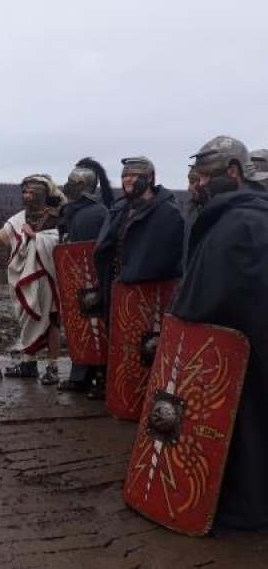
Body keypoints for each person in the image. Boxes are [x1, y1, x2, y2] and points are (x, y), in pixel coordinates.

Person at [170, 135, 268, 532]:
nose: (198, 184)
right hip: (225, 350)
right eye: (195, 177)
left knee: (247, 436)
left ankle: (245, 514)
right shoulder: (228, 218)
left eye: (205, 176)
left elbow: (232, 292)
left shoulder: (248, 223)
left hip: (245, 348)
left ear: (233, 173)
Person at [92, 156, 184, 399]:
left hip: (147, 291)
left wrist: (135, 274)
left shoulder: (168, 212)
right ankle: (118, 388)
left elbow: (169, 257)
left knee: (146, 344)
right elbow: (106, 246)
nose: (127, 180)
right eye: (124, 176)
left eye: (134, 175)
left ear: (150, 178)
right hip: (118, 286)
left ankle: (146, 393)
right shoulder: (121, 208)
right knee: (118, 338)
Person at [0, 174, 62, 383]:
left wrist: (36, 236)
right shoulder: (18, 219)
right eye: (24, 192)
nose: (27, 196)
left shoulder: (56, 217)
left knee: (53, 321)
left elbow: (61, 244)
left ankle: (53, 367)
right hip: (24, 278)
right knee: (28, 319)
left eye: (31, 192)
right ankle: (29, 362)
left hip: (48, 278)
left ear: (43, 194)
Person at [56, 157, 112, 393]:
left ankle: (99, 376)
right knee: (79, 326)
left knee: (95, 326)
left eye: (73, 184)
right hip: (77, 278)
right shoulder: (73, 210)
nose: (69, 188)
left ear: (82, 186)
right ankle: (79, 375)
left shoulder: (97, 213)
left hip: (95, 278)